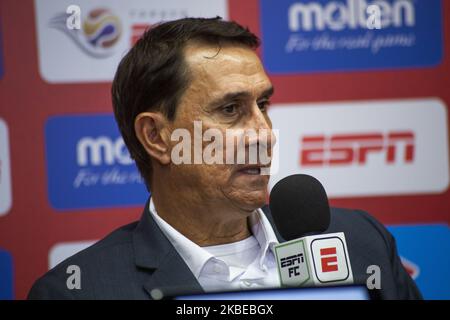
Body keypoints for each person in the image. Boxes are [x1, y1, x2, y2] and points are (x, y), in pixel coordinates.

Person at [28, 17, 421, 300]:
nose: (264, 133)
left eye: (263, 104)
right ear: (156, 137)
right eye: (231, 109)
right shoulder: (79, 290)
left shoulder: (360, 243)